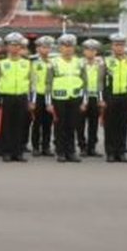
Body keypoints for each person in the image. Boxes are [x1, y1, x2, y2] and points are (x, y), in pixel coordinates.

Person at [0, 33, 34, 163]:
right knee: (6, 126)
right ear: (7, 47)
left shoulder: (27, 63)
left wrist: (32, 101)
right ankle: (7, 152)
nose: (15, 48)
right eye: (12, 45)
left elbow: (33, 84)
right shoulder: (2, 63)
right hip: (7, 98)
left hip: (22, 97)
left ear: (21, 47)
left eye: (17, 45)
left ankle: (18, 152)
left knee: (20, 125)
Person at [48, 34, 86, 163]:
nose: (68, 49)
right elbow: (48, 83)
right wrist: (49, 102)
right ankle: (60, 151)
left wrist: (84, 101)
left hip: (75, 98)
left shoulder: (80, 62)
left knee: (72, 125)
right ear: (60, 48)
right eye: (65, 46)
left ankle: (71, 151)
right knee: (60, 125)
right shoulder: (53, 62)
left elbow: (84, 82)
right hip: (59, 98)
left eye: (70, 46)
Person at [102, 34, 127, 163]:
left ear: (125, 47)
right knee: (110, 125)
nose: (119, 48)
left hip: (125, 97)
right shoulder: (106, 61)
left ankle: (121, 152)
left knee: (123, 125)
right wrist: (101, 99)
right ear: (112, 46)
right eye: (116, 45)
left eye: (121, 45)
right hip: (110, 96)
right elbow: (100, 81)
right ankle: (110, 152)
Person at [29, 36, 55, 157]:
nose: (45, 49)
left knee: (48, 123)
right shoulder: (32, 61)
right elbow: (31, 81)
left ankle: (46, 146)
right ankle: (35, 147)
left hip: (50, 95)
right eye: (43, 47)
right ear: (38, 48)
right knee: (36, 123)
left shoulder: (54, 62)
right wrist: (31, 100)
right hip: (37, 95)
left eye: (48, 47)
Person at [78, 39, 105, 157]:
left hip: (95, 96)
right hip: (81, 97)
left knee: (94, 124)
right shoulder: (79, 63)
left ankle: (92, 147)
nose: (91, 52)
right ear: (84, 51)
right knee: (80, 124)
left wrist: (101, 98)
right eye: (88, 49)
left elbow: (102, 81)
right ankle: (82, 146)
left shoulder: (101, 64)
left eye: (93, 50)